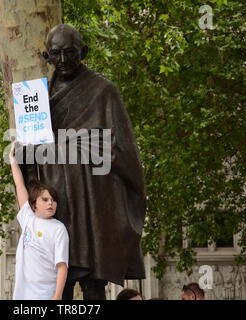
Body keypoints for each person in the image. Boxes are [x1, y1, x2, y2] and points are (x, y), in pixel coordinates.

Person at [21, 24, 146, 300]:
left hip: (92, 200)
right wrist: (23, 153)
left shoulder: (104, 91)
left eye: (70, 52)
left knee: (92, 282)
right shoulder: (36, 98)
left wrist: (76, 144)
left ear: (84, 52)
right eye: (56, 54)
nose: (63, 60)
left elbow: (122, 148)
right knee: (58, 278)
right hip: (55, 199)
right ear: (46, 57)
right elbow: (31, 153)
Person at [10, 142, 69, 300]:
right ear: (34, 203)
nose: (51, 203)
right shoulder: (28, 218)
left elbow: (62, 265)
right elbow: (20, 186)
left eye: (53, 200)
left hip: (46, 295)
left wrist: (57, 296)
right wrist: (12, 160)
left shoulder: (59, 229)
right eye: (45, 199)